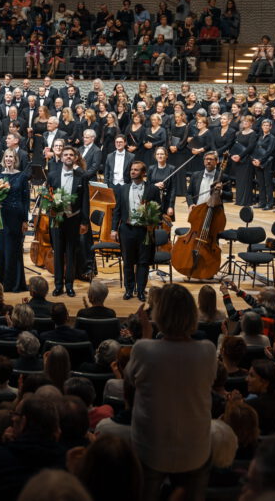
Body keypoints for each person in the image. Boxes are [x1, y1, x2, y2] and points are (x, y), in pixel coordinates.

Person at [128, 284, 216, 500]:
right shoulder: (207, 350)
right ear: (192, 314)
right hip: (195, 449)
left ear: (159, 314)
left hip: (151, 448)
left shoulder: (143, 349)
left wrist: (146, 335)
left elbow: (129, 385)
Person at [110, 161, 162, 301]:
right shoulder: (122, 189)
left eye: (136, 170)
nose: (133, 172)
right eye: (132, 169)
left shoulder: (152, 189)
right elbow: (117, 210)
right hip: (126, 230)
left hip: (144, 231)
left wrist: (152, 222)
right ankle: (129, 290)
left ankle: (140, 291)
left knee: (143, 262)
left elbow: (159, 210)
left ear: (143, 173)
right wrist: (114, 229)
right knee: (128, 262)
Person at [47, 146, 90, 297]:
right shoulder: (52, 175)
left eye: (71, 155)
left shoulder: (82, 176)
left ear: (75, 158)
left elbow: (85, 200)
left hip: (74, 219)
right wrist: (50, 210)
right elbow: (47, 196)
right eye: (66, 155)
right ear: (61, 157)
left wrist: (84, 222)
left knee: (71, 253)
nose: (68, 157)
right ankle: (58, 285)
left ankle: (69, 285)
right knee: (58, 252)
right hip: (57, 220)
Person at [0, 148, 31, 293]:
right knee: (2, 248)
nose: (9, 159)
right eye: (6, 156)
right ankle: (1, 281)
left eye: (11, 157)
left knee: (14, 248)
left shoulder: (22, 176)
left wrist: (25, 220)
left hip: (16, 216)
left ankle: (13, 283)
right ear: (4, 159)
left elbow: (26, 199)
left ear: (15, 159)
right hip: (2, 216)